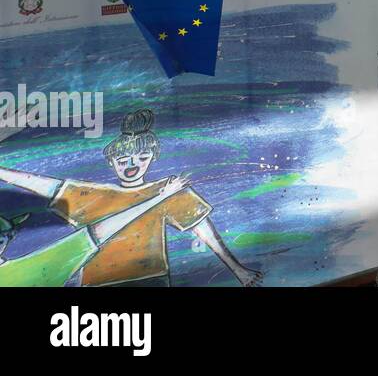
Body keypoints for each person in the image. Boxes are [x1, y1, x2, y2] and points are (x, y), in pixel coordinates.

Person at [0, 110, 261, 286]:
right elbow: (42, 184)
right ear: (112, 162)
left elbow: (203, 230)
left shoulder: (167, 190)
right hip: (97, 282)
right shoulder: (94, 194)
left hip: (150, 277)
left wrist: (237, 269)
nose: (131, 165)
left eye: (141, 158)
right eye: (123, 159)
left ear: (152, 158)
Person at [0, 175, 192, 287]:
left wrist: (160, 198)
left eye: (4, 237)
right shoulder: (32, 270)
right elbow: (98, 232)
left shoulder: (34, 268)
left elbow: (98, 232)